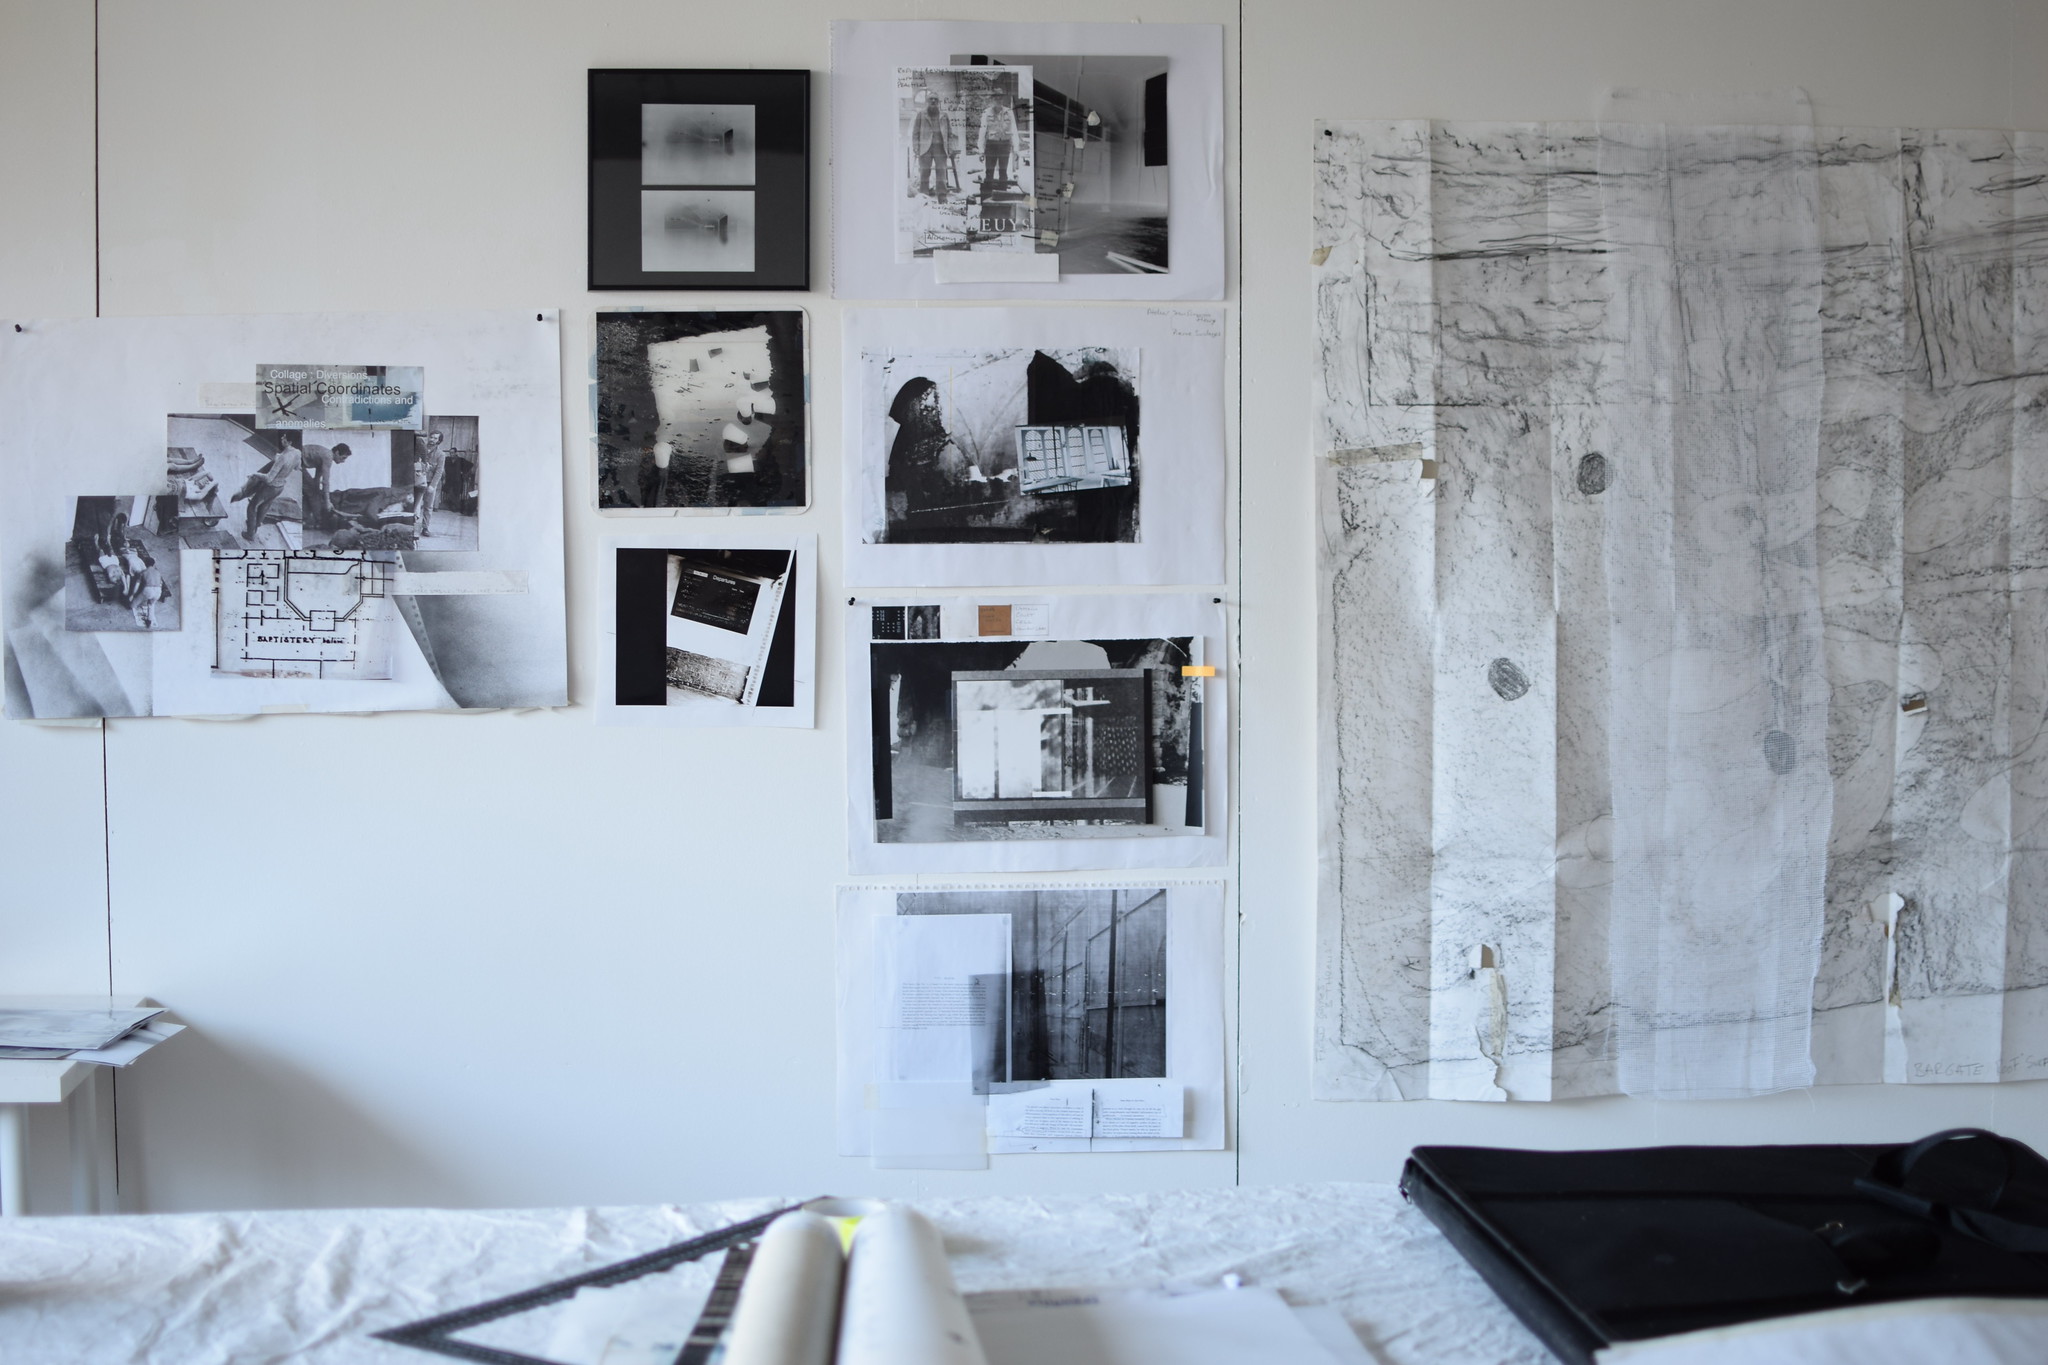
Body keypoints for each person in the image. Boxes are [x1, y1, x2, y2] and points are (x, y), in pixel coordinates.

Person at [233, 436, 303, 543]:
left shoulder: (283, 458)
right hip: (280, 487)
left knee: (252, 506)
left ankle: (250, 534)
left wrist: (255, 474)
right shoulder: (297, 453)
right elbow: (297, 467)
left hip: (270, 487)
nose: (282, 438)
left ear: (290, 441)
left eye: (285, 438)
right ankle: (255, 526)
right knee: (265, 506)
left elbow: (269, 478)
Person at [301, 440, 353, 531]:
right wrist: (327, 502)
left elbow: (317, 479)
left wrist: (319, 493)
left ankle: (307, 518)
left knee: (313, 491)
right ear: (337, 453)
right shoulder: (328, 457)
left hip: (300, 461)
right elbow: (325, 482)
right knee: (312, 492)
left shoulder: (325, 455)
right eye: (343, 458)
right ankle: (318, 521)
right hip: (298, 461)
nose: (343, 461)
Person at [910, 93, 952, 198]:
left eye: (935, 99)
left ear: (938, 102)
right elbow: (915, 133)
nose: (933, 101)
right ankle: (924, 198)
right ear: (927, 101)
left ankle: (942, 198)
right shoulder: (921, 114)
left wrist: (950, 147)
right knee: (924, 173)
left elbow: (949, 133)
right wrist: (916, 146)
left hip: (940, 148)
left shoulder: (944, 115)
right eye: (931, 99)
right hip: (925, 148)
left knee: (941, 174)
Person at [411, 429, 447, 542]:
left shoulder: (441, 454)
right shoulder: (421, 448)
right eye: (431, 437)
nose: (432, 440)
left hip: (430, 482)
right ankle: (412, 526)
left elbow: (439, 471)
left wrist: (433, 485)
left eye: (435, 438)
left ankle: (425, 528)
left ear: (439, 441)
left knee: (428, 506)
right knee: (416, 505)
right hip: (418, 480)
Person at [978, 96, 1018, 189]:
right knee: (989, 171)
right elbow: (982, 131)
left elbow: (1014, 130)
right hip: (991, 145)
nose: (998, 101)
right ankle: (987, 194)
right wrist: (981, 150)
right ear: (992, 100)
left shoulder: (1009, 112)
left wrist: (1016, 149)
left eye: (1000, 98)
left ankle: (1002, 193)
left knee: (1003, 171)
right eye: (996, 98)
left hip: (1005, 144)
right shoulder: (986, 113)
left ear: (1002, 100)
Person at [128, 550, 165, 629]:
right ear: (153, 564)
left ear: (145, 564)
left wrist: (132, 595)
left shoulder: (143, 572)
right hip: (158, 591)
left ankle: (132, 605)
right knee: (151, 605)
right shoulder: (158, 572)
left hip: (148, 590)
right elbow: (160, 583)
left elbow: (137, 585)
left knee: (133, 604)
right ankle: (149, 620)